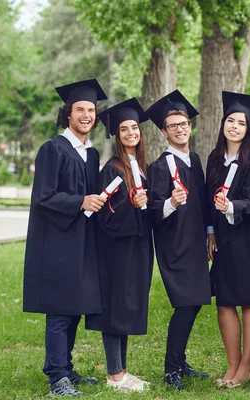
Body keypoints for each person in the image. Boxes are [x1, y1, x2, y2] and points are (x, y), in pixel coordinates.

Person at [23, 79, 107, 397]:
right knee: (59, 310)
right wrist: (80, 201)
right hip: (57, 241)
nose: (87, 114)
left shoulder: (91, 153)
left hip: (83, 240)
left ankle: (66, 368)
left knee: (74, 306)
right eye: (80, 109)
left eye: (91, 110)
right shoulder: (52, 149)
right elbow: (43, 197)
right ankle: (57, 377)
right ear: (68, 114)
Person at [85, 98, 153, 392]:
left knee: (125, 308)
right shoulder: (112, 169)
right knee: (114, 307)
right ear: (117, 135)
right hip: (116, 248)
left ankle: (122, 372)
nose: (130, 133)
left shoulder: (142, 166)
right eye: (124, 129)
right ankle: (115, 375)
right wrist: (132, 204)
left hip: (137, 247)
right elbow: (106, 214)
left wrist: (146, 204)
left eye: (134, 127)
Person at [145, 90, 212, 391]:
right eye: (173, 125)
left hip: (197, 241)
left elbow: (204, 202)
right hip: (174, 244)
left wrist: (210, 233)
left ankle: (180, 361)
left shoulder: (194, 160)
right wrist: (171, 201)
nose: (181, 128)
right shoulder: (159, 167)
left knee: (195, 303)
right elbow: (153, 212)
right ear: (164, 132)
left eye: (184, 123)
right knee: (186, 304)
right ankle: (172, 369)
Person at [205, 91, 250, 388]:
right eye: (230, 120)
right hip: (222, 240)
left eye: (240, 123)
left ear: (248, 129)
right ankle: (232, 365)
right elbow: (208, 200)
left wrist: (230, 206)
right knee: (224, 302)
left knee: (248, 301)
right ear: (223, 124)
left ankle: (246, 366)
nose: (234, 126)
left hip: (248, 240)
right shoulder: (215, 158)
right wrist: (210, 232)